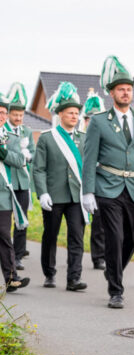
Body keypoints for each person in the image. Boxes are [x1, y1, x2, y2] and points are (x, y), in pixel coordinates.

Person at [82, 56, 134, 308]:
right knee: (114, 236)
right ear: (112, 93)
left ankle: (113, 270)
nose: (125, 93)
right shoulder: (99, 121)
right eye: (121, 89)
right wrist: (87, 191)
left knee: (133, 238)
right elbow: (89, 158)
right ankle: (116, 291)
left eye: (129, 89)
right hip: (107, 187)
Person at [33, 82, 87, 291]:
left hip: (76, 196)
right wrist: (42, 193)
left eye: (76, 113)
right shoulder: (47, 138)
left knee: (77, 237)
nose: (74, 116)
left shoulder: (84, 139)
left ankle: (74, 278)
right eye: (70, 113)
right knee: (50, 235)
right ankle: (49, 273)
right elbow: (39, 169)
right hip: (54, 195)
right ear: (61, 114)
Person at [0, 95, 29, 292]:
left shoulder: (11, 138)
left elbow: (20, 161)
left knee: (3, 234)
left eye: (4, 112)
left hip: (2, 196)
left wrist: (3, 153)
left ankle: (11, 278)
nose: (2, 116)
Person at [4, 83, 35, 272]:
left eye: (21, 115)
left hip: (22, 182)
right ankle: (6, 253)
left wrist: (28, 155)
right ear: (8, 114)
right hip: (7, 181)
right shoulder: (3, 130)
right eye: (15, 115)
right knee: (4, 221)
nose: (18, 118)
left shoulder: (27, 131)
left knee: (21, 220)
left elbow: (32, 152)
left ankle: (18, 255)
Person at [80, 88, 107, 270]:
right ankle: (84, 255)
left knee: (102, 223)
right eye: (89, 119)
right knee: (85, 223)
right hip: (83, 183)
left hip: (102, 183)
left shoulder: (105, 136)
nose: (91, 122)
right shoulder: (80, 137)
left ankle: (101, 256)